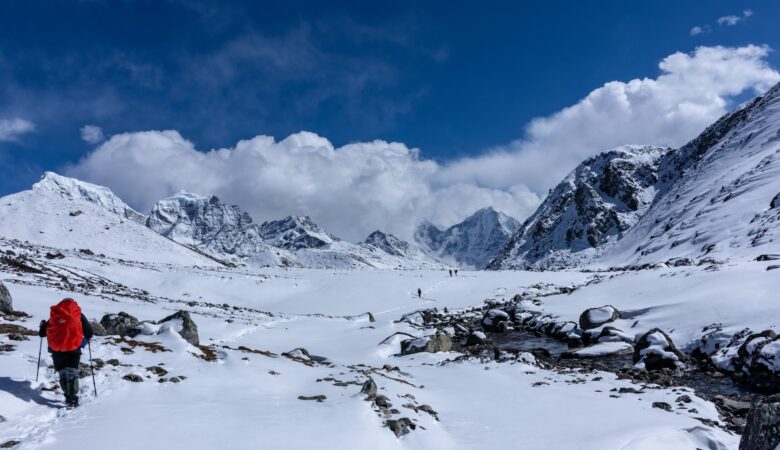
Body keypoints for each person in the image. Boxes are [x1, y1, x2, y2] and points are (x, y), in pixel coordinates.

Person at [39, 298, 94, 407]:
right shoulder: (78, 314)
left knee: (63, 374)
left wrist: (42, 325)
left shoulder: (55, 315)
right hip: (73, 349)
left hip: (56, 351)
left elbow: (42, 334)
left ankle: (68, 396)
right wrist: (84, 341)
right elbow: (89, 332)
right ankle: (72, 399)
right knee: (72, 373)